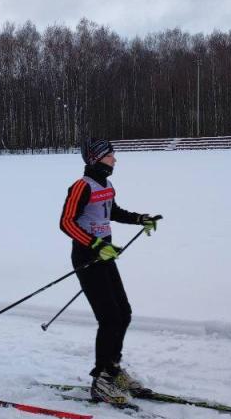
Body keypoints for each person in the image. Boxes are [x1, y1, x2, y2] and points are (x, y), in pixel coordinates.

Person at [59, 138, 161, 405]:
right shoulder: (81, 186)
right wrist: (94, 244)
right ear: (96, 159)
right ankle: (101, 380)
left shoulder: (106, 184)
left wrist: (140, 218)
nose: (115, 160)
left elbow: (111, 211)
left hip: (105, 254)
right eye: (110, 156)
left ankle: (113, 369)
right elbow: (66, 223)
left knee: (123, 313)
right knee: (109, 318)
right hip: (87, 257)